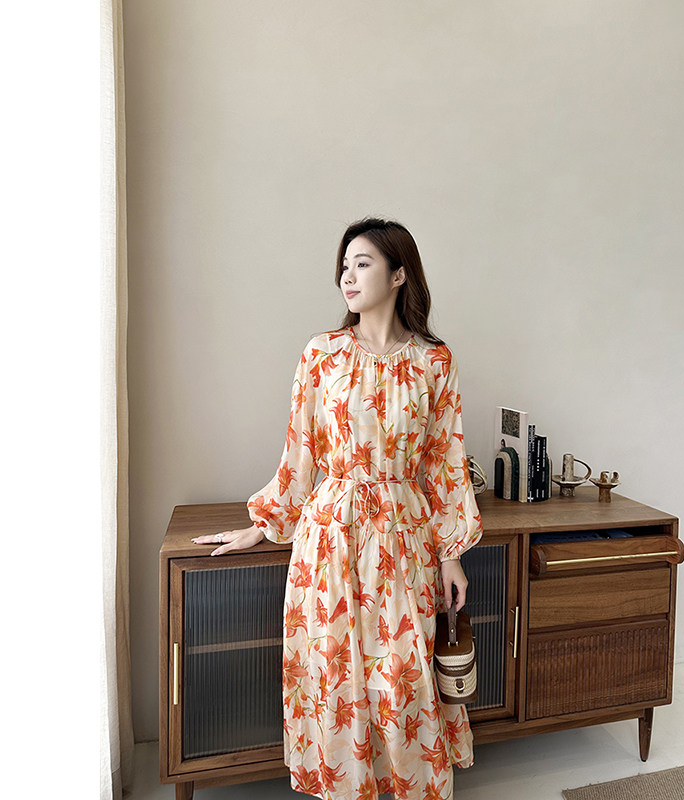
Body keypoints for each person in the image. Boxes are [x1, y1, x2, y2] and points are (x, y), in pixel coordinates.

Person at [192, 217, 483, 800]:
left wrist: (451, 553)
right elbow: (299, 451)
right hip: (330, 537)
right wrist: (264, 524)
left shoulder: (434, 361)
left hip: (404, 536)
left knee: (400, 675)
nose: (348, 277)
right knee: (337, 675)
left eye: (363, 264)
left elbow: (443, 462)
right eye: (344, 266)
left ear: (399, 274)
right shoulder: (321, 354)